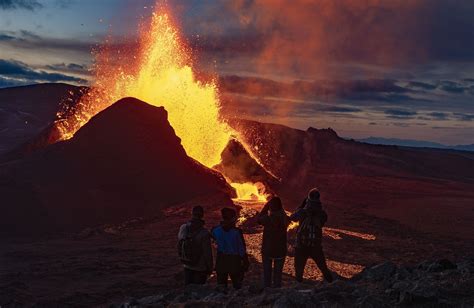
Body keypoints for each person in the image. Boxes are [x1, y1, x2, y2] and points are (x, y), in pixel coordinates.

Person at [290, 188, 333, 283]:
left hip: (301, 245)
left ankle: (297, 290)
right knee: (323, 268)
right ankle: (333, 284)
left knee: (299, 271)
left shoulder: (302, 212)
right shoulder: (322, 213)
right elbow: (322, 221)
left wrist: (301, 206)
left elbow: (292, 218)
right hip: (315, 245)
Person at [211, 208, 249, 290]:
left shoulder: (215, 230)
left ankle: (220, 300)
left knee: (221, 286)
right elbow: (241, 249)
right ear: (232, 218)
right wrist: (245, 261)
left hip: (221, 260)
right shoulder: (236, 232)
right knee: (237, 286)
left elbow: (213, 242)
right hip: (234, 261)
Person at [257, 196, 290, 288]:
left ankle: (267, 292)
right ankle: (276, 291)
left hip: (267, 250)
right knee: (278, 274)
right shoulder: (285, 219)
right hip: (281, 251)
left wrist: (265, 207)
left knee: (267, 273)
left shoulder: (267, 219)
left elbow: (259, 219)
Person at [177, 205, 213, 285]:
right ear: (202, 215)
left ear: (192, 213)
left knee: (188, 290)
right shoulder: (204, 233)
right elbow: (207, 253)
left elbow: (180, 242)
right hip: (200, 267)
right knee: (198, 292)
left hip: (187, 264)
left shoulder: (183, 228)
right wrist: (210, 268)